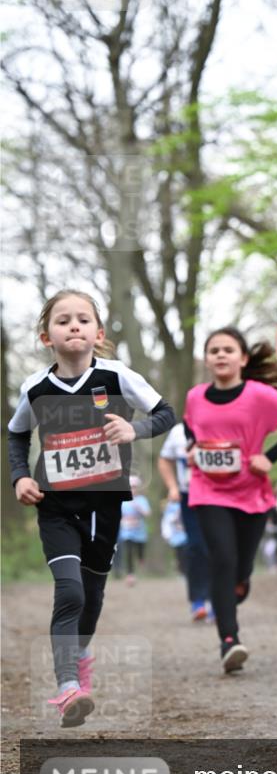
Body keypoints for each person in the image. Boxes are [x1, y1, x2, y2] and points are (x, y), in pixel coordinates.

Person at [8, 290, 175, 727]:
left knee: (93, 594)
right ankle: (67, 687)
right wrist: (20, 476)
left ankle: (79, 655)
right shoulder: (35, 388)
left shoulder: (117, 377)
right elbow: (16, 435)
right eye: (63, 321)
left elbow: (166, 413)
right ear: (47, 336)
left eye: (83, 319)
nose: (74, 326)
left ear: (98, 333)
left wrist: (134, 428)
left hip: (105, 505)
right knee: (70, 592)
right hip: (56, 505)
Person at [183, 327, 277, 673]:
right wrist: (193, 448)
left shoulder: (258, 396)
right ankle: (229, 640)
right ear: (207, 359)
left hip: (252, 492)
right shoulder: (195, 396)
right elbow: (189, 426)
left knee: (240, 568)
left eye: (228, 349)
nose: (220, 355)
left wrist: (269, 456)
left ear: (243, 358)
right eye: (214, 350)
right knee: (222, 558)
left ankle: (240, 581)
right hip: (208, 490)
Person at [158, 422, 212, 621]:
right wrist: (172, 487)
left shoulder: (221, 423)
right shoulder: (178, 432)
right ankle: (198, 600)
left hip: (220, 496)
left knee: (218, 546)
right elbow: (164, 459)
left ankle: (218, 600)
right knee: (196, 546)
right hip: (189, 497)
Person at [117, 475, 150, 586]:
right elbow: (118, 516)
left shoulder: (142, 500)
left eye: (135, 487)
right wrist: (125, 521)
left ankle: (141, 559)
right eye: (131, 487)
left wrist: (138, 508)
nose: (133, 489)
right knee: (129, 551)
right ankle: (130, 575)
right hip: (127, 531)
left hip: (140, 532)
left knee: (140, 551)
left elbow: (147, 513)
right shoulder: (123, 500)